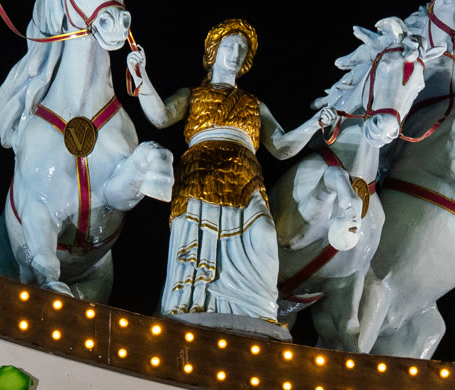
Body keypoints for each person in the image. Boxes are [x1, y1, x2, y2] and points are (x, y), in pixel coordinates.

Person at [128, 19, 331, 338]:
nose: (236, 53)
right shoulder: (193, 95)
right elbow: (161, 116)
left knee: (263, 232)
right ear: (214, 51)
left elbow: (281, 147)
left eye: (242, 49)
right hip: (202, 172)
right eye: (230, 46)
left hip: (246, 175)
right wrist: (142, 77)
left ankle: (258, 309)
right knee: (203, 239)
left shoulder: (253, 103)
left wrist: (314, 123)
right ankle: (195, 305)